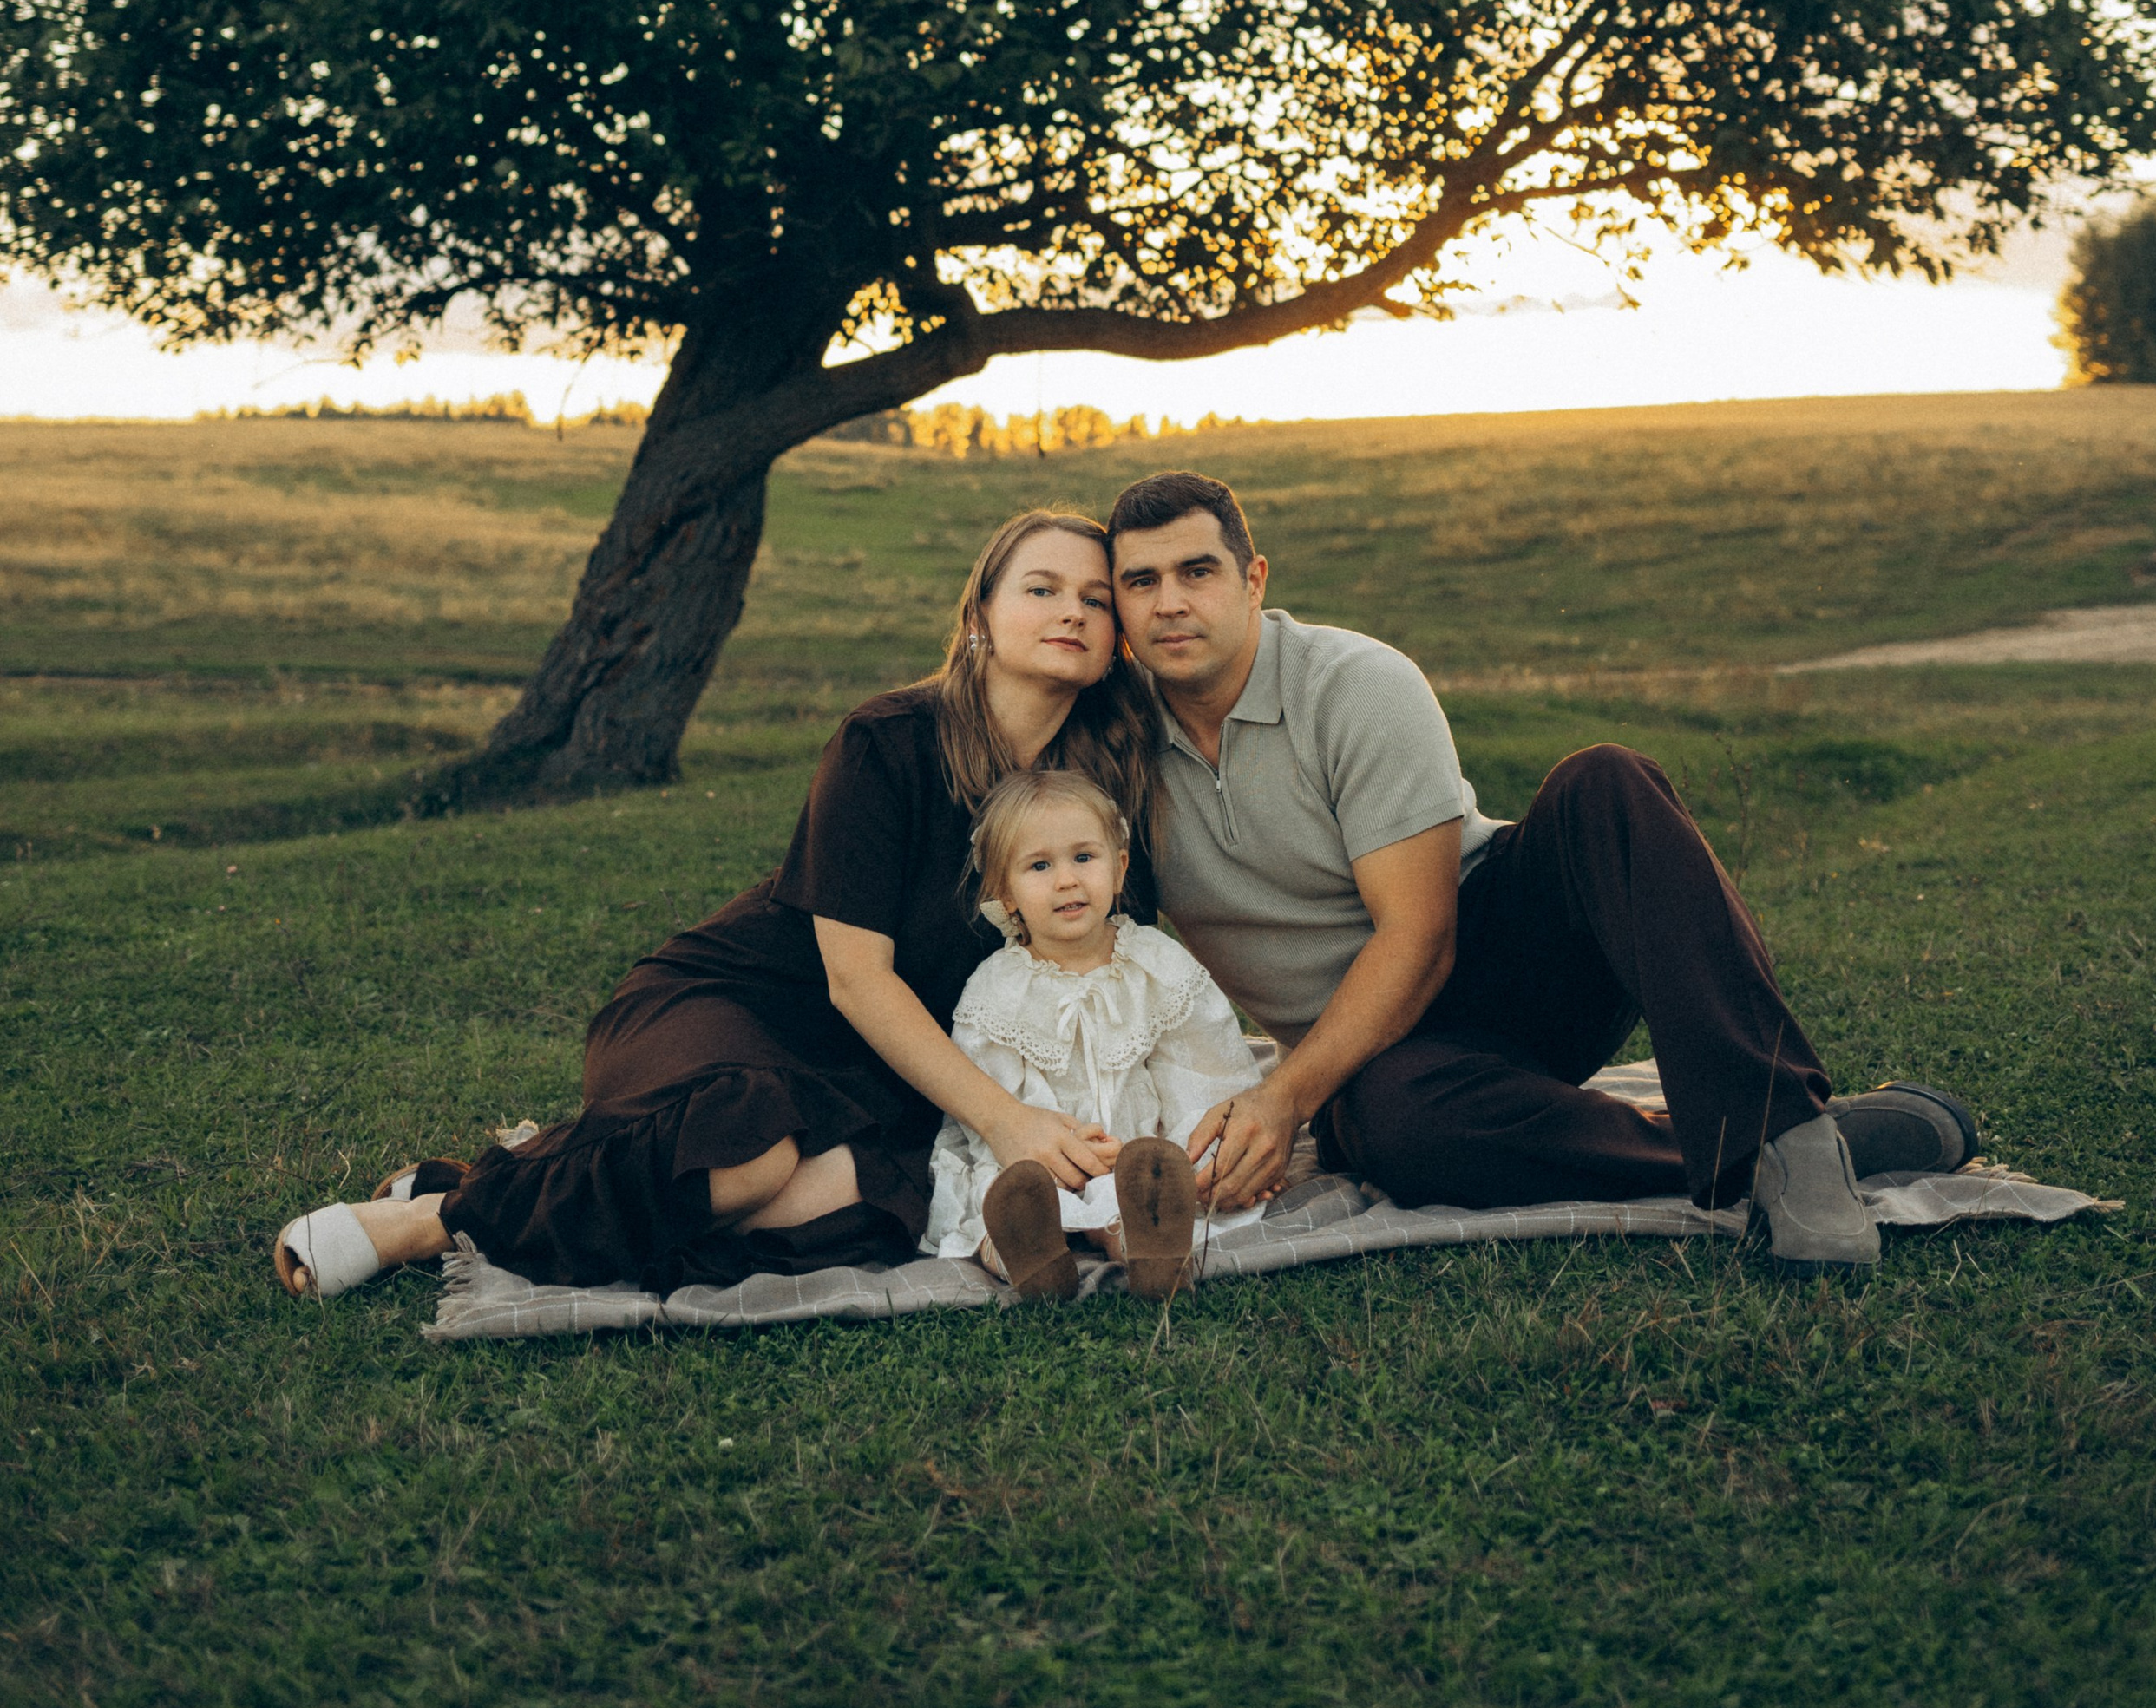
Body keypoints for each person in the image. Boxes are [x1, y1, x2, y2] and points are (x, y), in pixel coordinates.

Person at [1106, 470, 1980, 1276]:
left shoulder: (1354, 685)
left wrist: (1284, 1099)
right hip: (1377, 1058)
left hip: (1503, 952)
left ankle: (1782, 1125)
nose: (1170, 603)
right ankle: (1775, 1146)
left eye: (1197, 572)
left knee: (1605, 781)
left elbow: (1421, 936)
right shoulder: (1114, 749)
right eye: (1141, 582)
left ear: (1253, 579)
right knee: (1394, 1133)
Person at [272, 512, 1159, 1299]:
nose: (1073, 612)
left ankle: (530, 1172)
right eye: (1042, 588)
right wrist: (1004, 1119)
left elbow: (1123, 954)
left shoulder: (1108, 776)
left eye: (1096, 599)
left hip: (893, 1071)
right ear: (979, 615)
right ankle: (434, 1220)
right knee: (747, 1159)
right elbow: (856, 981)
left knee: (823, 1206)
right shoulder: (886, 741)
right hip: (747, 1004)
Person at [921, 765, 1264, 1301]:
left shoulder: (1154, 964)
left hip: (1136, 1155)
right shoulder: (997, 989)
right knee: (998, 1195)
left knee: (1134, 1193)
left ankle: (1143, 1248)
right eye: (1039, 866)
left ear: (1119, 868)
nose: (1067, 880)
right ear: (1005, 893)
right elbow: (992, 1099)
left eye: (1084, 857)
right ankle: (1025, 1254)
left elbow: (1198, 1064)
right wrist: (1064, 1152)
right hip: (1036, 1161)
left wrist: (1208, 1150)